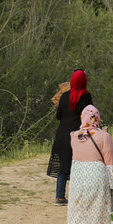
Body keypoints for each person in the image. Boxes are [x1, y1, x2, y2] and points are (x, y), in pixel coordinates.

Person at [47, 69, 93, 206]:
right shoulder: (86, 96)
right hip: (78, 135)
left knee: (63, 165)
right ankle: (78, 197)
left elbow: (58, 116)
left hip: (62, 134)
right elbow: (89, 116)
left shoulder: (64, 96)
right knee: (79, 165)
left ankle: (59, 197)